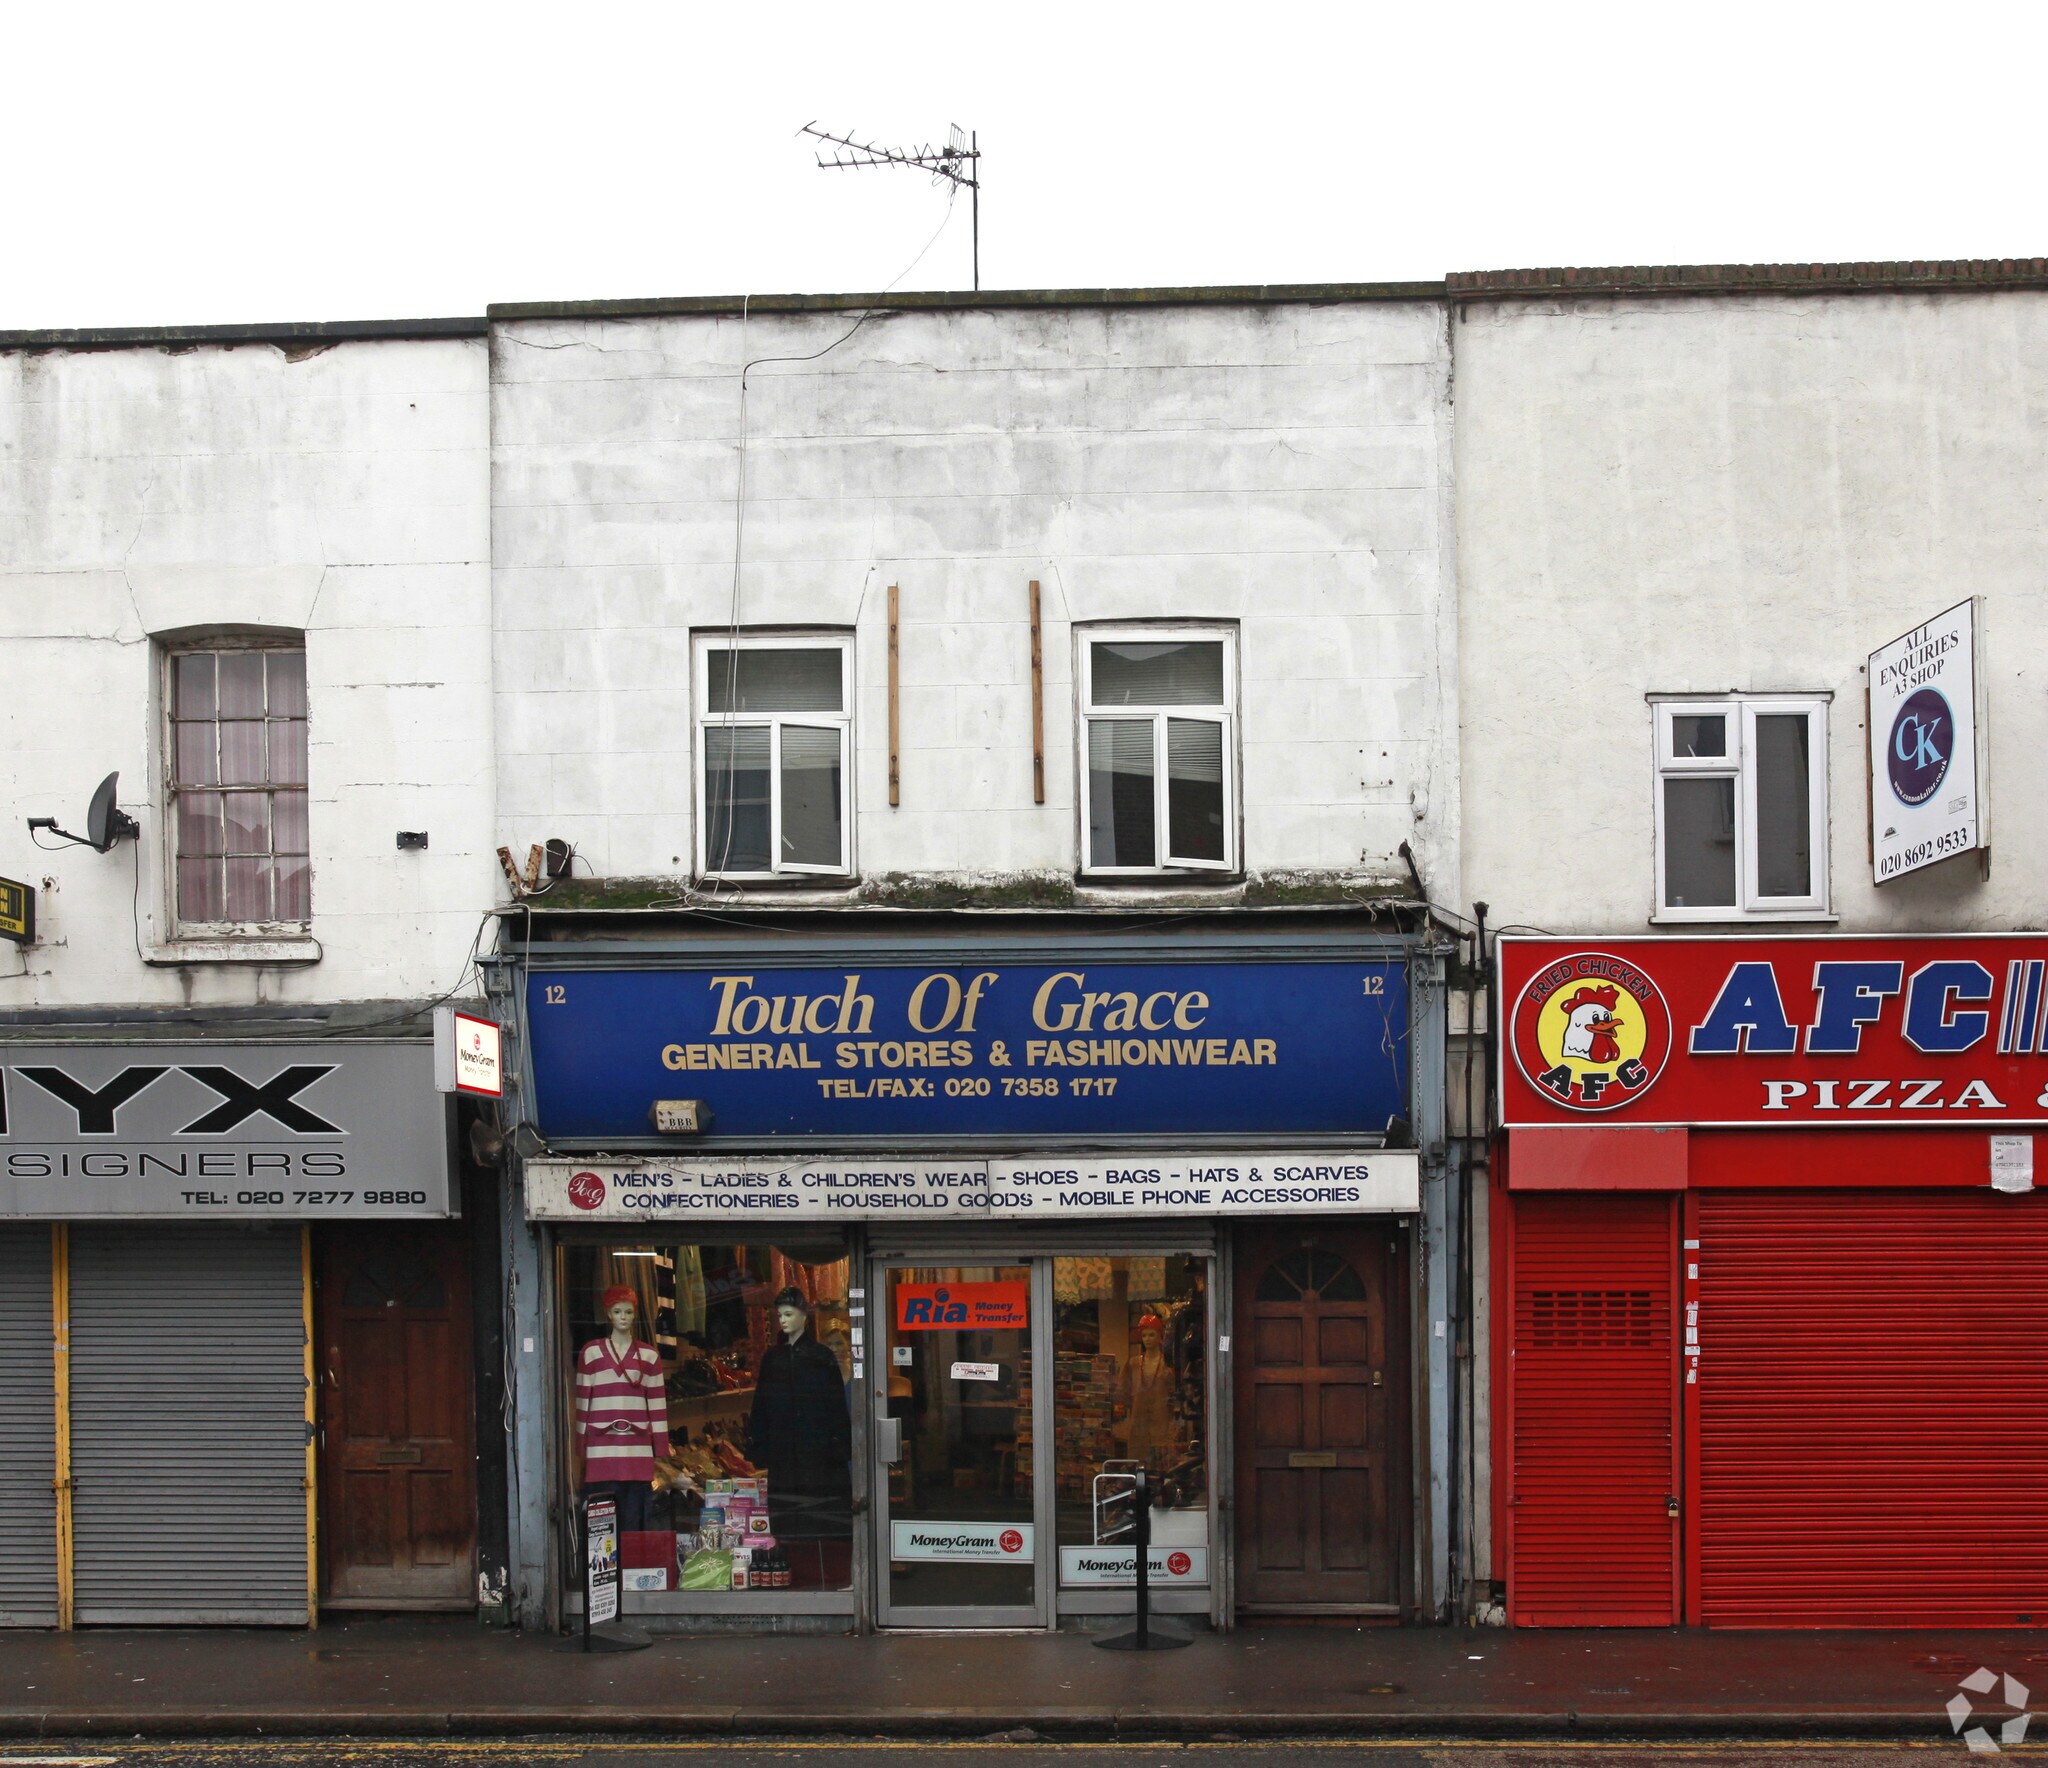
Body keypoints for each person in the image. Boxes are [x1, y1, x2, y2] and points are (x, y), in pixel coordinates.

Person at [748, 1287, 852, 1539]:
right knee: (786, 1518)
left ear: (804, 1316)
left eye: (789, 1314)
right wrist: (759, 1445)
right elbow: (761, 1404)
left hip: (817, 1451)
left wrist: (840, 1445)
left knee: (818, 1515)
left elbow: (836, 1405)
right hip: (784, 1451)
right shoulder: (773, 1359)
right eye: (780, 1315)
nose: (783, 1320)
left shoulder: (820, 1356)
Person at [575, 1285, 669, 1530]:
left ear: (635, 1314)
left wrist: (660, 1445)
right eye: (617, 1311)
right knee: (601, 1521)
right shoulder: (591, 1352)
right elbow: (582, 1401)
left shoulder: (649, 1356)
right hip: (601, 1447)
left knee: (634, 1518)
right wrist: (580, 1443)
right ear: (608, 1314)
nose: (623, 1317)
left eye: (628, 1312)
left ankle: (634, 1564)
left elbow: (657, 1404)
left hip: (637, 1446)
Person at [1115, 1312, 1175, 1470]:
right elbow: (1122, 1391)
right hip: (1138, 1422)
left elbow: (1175, 1394)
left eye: (1152, 1335)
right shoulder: (1133, 1364)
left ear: (1159, 1336)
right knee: (1137, 1464)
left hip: (1161, 1422)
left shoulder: (1168, 1364)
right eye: (1144, 1335)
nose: (1147, 1339)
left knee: (1161, 1465)